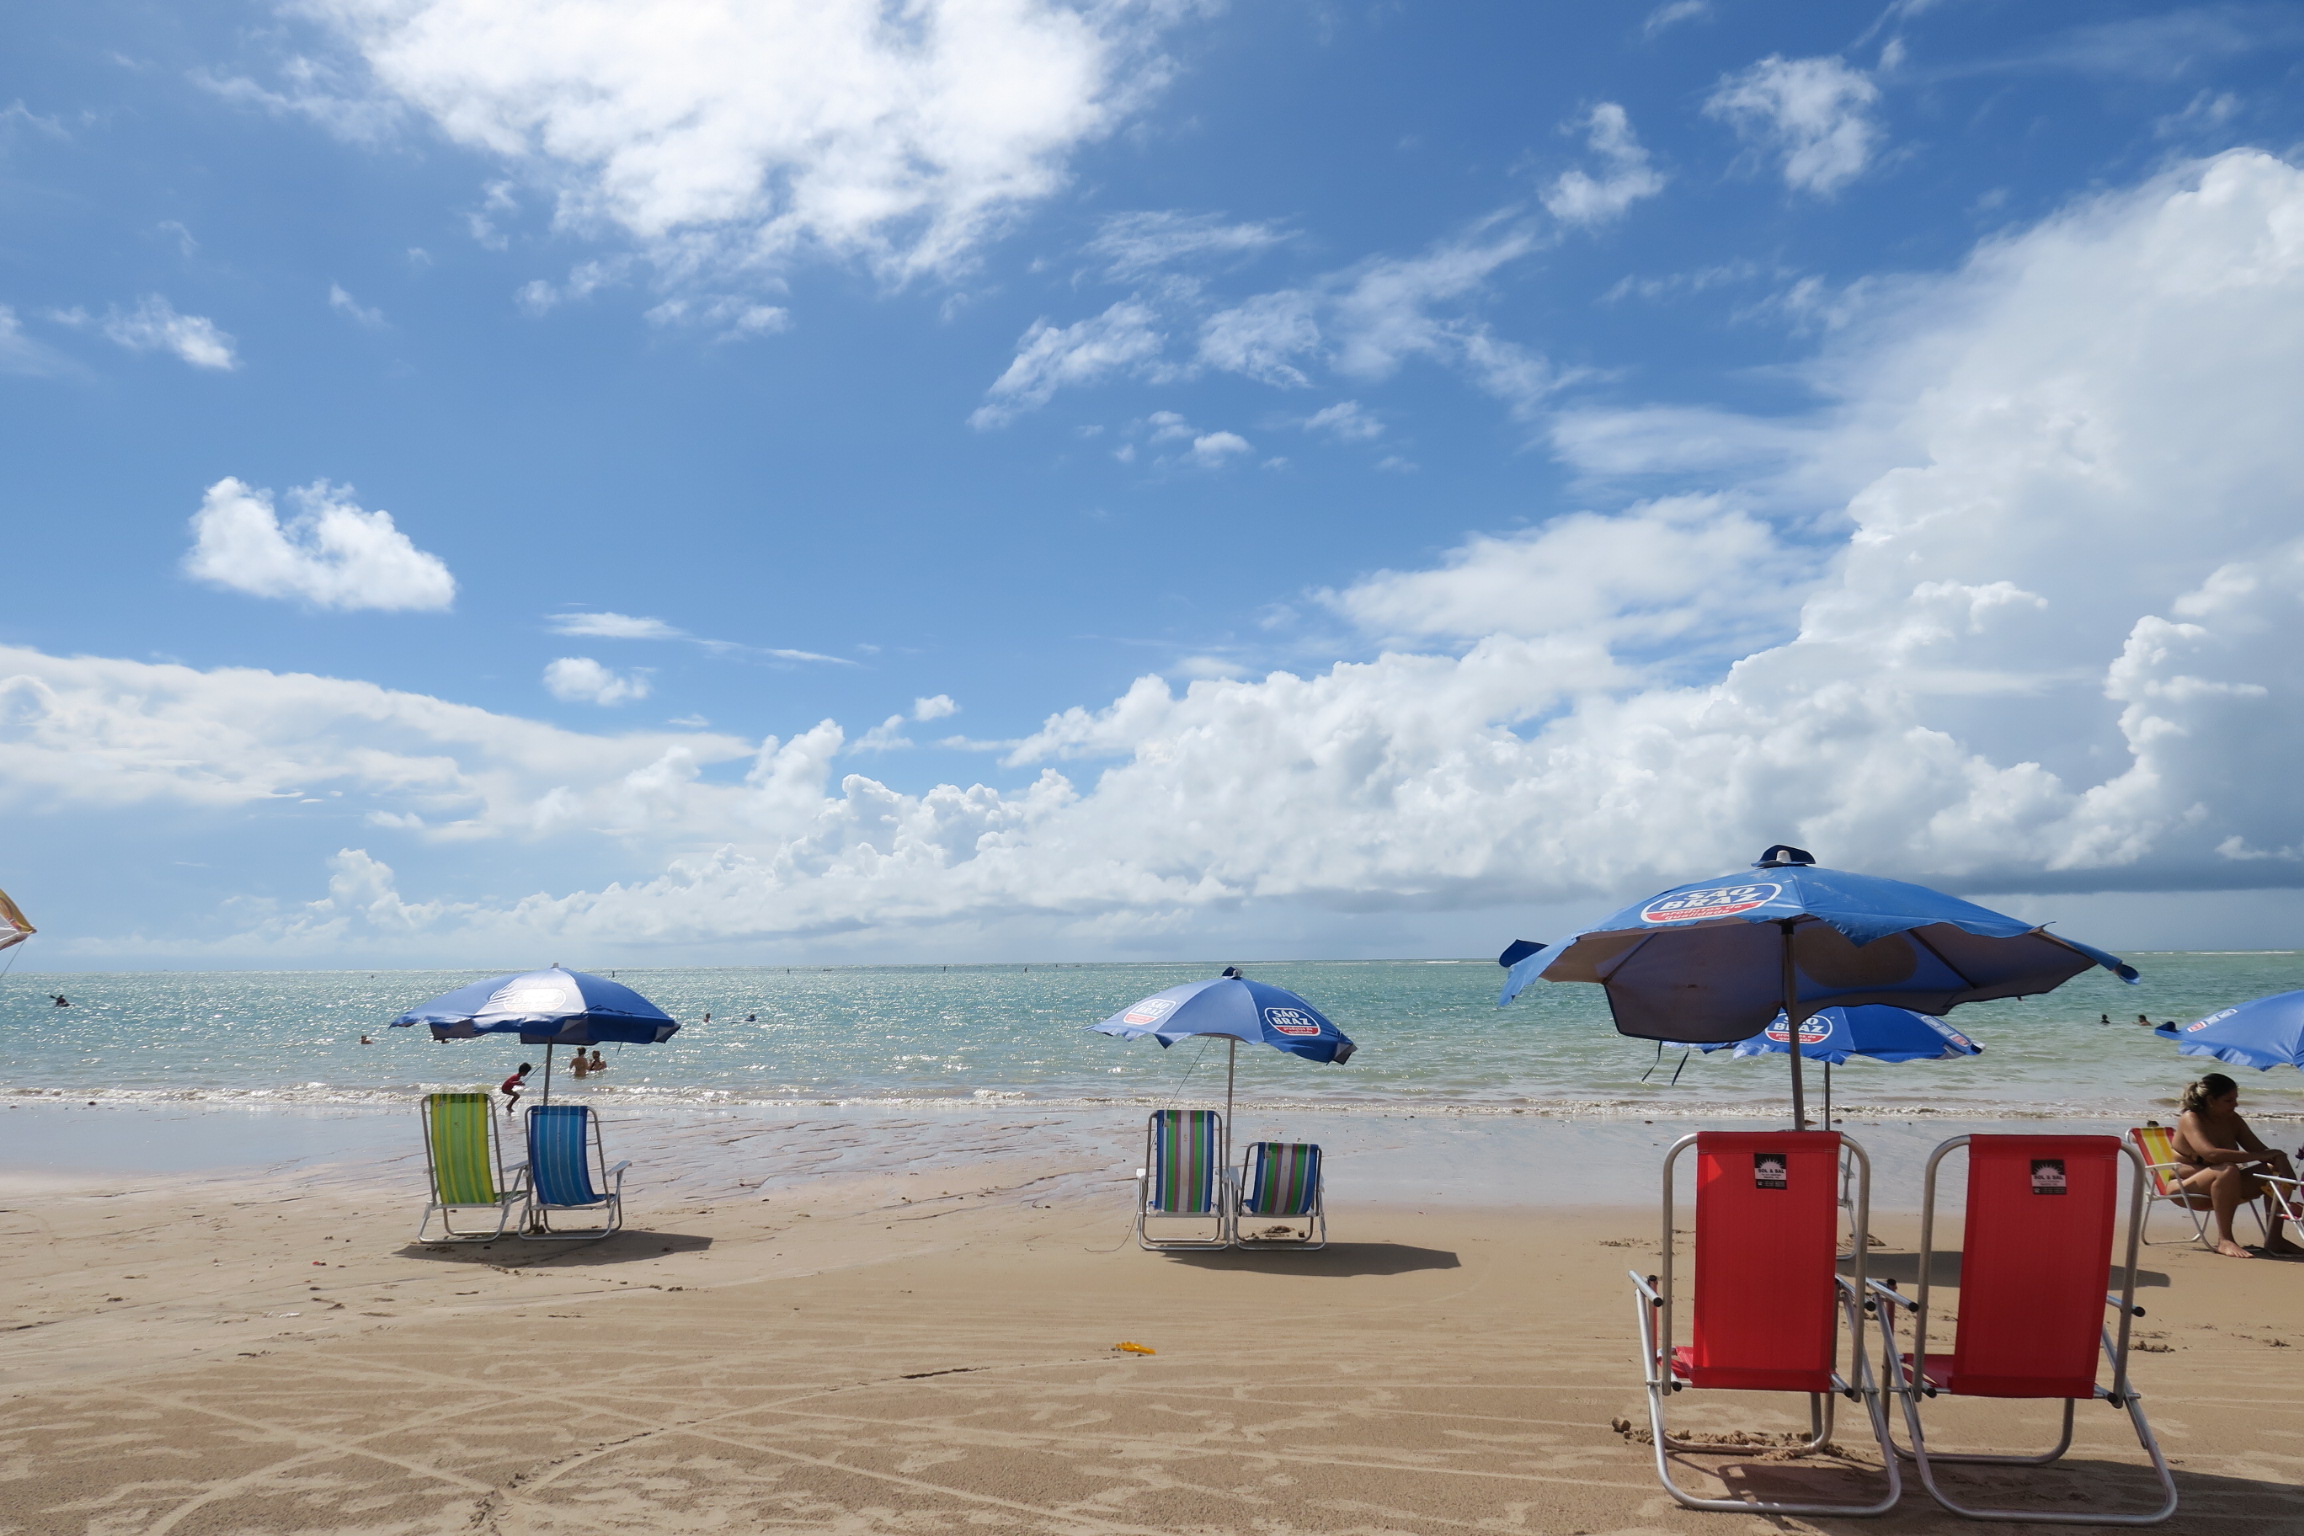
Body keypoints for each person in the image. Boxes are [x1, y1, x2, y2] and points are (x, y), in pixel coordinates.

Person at [2171, 1072, 2303, 1258]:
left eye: (2236, 1099)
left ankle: (2275, 1238)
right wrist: (2265, 1155)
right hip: (2186, 1187)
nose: (2236, 1104)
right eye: (2229, 1100)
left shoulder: (2233, 1119)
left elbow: (2262, 1152)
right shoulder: (2191, 1118)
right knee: (2228, 1169)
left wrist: (2280, 1159)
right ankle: (2225, 1239)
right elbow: (2211, 1154)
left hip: (2226, 1187)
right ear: (2211, 1100)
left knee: (2271, 1171)